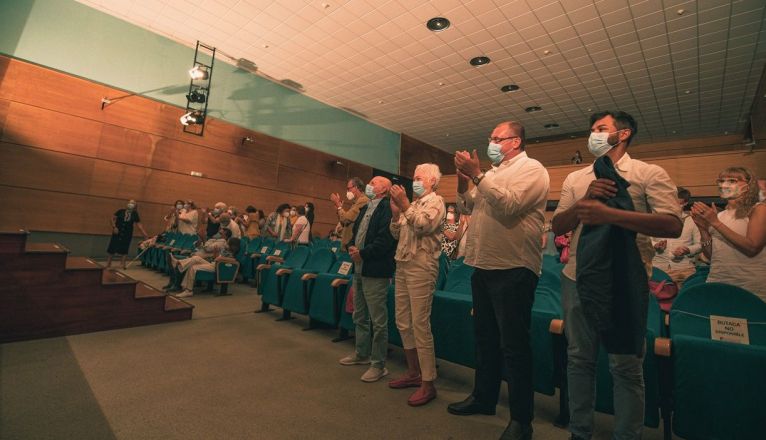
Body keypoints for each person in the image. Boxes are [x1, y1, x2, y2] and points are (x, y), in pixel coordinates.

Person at [552, 111, 682, 440]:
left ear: (622, 134)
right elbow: (558, 225)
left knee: (625, 367)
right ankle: (579, 432)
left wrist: (610, 214)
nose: (593, 134)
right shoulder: (577, 178)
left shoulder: (646, 173)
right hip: (576, 276)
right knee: (579, 359)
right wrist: (587, 200)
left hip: (624, 280)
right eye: (592, 129)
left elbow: (673, 224)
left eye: (601, 129)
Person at [448, 121, 550, 440]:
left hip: (514, 266)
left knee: (514, 346)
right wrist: (465, 181)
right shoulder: (490, 174)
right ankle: (484, 398)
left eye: (497, 138)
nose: (491, 143)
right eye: (490, 137)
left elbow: (509, 205)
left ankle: (522, 419)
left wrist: (477, 175)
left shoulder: (533, 169)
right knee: (486, 338)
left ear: (516, 141)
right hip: (484, 264)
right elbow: (467, 206)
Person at [387, 163, 445, 406]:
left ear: (431, 181)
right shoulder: (411, 205)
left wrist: (404, 206)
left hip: (422, 265)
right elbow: (396, 234)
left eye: (419, 177)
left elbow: (422, 226)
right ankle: (413, 373)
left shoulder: (437, 202)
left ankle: (428, 383)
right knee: (403, 321)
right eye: (413, 177)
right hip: (402, 264)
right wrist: (394, 215)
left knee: (420, 323)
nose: (414, 181)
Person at [338, 176, 397, 383]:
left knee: (378, 320)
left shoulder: (388, 207)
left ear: (385, 188)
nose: (370, 185)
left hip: (376, 269)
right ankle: (361, 354)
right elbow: (355, 232)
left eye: (375, 182)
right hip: (359, 268)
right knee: (359, 315)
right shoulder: (365, 207)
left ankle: (378, 364)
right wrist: (352, 246)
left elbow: (386, 239)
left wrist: (363, 253)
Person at [691, 167, 766, 301]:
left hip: (751, 286)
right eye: (721, 181)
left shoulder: (759, 209)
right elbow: (710, 256)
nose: (724, 185)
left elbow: (752, 248)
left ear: (748, 186)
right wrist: (703, 229)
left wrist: (715, 223)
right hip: (718, 281)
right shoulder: (720, 215)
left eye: (732, 180)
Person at [651, 187, 702, 283]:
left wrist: (688, 249)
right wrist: (655, 245)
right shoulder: (655, 218)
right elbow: (645, 240)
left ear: (685, 203)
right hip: (658, 269)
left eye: (677, 203)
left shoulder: (692, 221)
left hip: (684, 270)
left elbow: (699, 244)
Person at [106, 199, 148, 269]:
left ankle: (122, 264)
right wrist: (114, 227)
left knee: (125, 248)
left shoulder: (135, 214)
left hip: (127, 233)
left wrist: (145, 235)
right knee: (112, 247)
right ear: (127, 204)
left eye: (133, 203)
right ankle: (108, 264)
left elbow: (139, 225)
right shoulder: (120, 211)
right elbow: (112, 219)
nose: (131, 204)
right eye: (130, 202)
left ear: (135, 206)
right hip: (117, 232)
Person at [331, 177, 370, 251]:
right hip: (347, 244)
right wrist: (338, 208)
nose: (347, 191)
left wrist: (339, 206)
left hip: (352, 245)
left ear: (356, 187)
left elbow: (346, 219)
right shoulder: (355, 203)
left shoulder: (363, 200)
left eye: (349, 189)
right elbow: (343, 223)